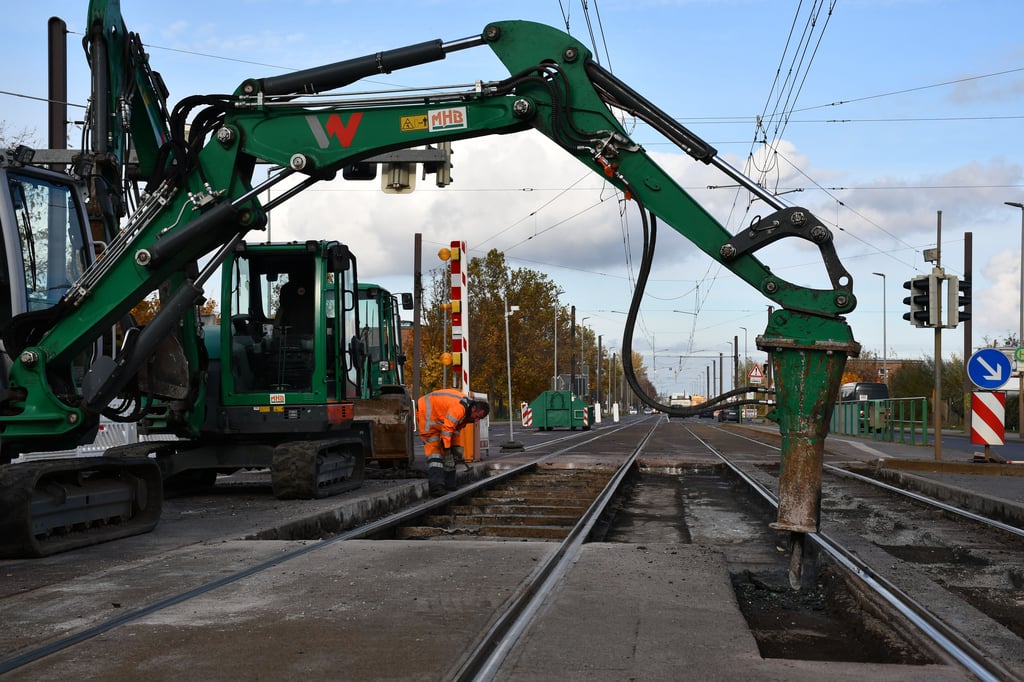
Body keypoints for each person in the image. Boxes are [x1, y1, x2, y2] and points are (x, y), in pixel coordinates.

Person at [415, 390, 489, 496]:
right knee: (435, 453)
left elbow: (455, 431)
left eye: (480, 419)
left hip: (438, 418)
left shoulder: (468, 414)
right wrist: (447, 449)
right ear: (473, 408)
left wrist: (455, 448)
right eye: (477, 416)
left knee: (451, 455)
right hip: (427, 414)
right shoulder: (459, 409)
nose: (477, 420)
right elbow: (447, 429)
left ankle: (450, 484)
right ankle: (436, 488)